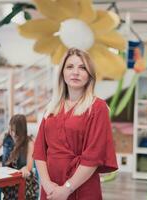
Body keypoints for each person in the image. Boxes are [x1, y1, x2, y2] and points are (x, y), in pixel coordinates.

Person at [33, 48, 118, 200]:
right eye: (70, 67)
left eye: (82, 67)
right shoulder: (52, 107)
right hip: (51, 188)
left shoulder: (97, 107)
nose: (75, 72)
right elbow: (39, 151)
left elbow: (93, 156)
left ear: (89, 75)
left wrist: (67, 188)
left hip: (81, 186)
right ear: (62, 73)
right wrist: (46, 184)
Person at [0, 114, 39, 200]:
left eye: (15, 131)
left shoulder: (29, 142)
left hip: (23, 178)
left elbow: (29, 166)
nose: (12, 134)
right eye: (11, 130)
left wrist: (25, 168)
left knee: (23, 188)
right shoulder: (5, 136)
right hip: (8, 178)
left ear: (22, 131)